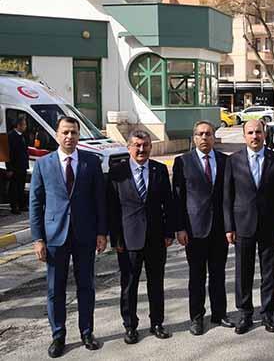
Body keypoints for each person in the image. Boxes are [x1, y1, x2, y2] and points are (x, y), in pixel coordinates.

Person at [29, 116, 107, 358]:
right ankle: (58, 335)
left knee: (86, 287)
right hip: (55, 237)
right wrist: (38, 239)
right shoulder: (43, 164)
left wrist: (102, 232)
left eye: (73, 132)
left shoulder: (91, 162)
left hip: (85, 235)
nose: (69, 137)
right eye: (65, 132)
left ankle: (87, 332)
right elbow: (35, 203)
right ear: (56, 135)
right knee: (55, 289)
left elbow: (100, 200)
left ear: (78, 135)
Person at [107, 130, 173, 344]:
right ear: (129, 148)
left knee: (156, 283)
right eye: (137, 145)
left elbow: (168, 203)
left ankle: (157, 323)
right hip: (128, 239)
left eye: (145, 145)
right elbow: (112, 208)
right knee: (129, 285)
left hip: (156, 238)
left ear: (151, 147)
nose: (141, 149)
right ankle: (130, 326)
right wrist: (116, 239)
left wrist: (169, 232)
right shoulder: (117, 172)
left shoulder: (159, 170)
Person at [224, 119, 274, 335]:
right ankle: (245, 314)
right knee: (243, 272)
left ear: (264, 134)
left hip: (270, 224)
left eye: (258, 132)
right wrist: (229, 227)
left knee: (269, 272)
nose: (255, 136)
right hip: (243, 224)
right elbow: (227, 196)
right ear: (244, 136)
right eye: (250, 132)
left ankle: (268, 313)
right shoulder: (233, 161)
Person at [172, 121, 234, 336]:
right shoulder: (183, 162)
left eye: (208, 134)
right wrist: (179, 228)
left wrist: (230, 226)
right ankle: (197, 317)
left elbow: (229, 196)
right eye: (200, 134)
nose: (205, 138)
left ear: (214, 137)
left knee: (218, 274)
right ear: (194, 137)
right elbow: (177, 198)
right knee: (197, 277)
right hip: (194, 229)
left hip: (219, 229)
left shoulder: (225, 161)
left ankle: (219, 314)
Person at [7, 116, 29, 215]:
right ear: (19, 125)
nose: (26, 126)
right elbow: (8, 153)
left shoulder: (22, 136)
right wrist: (9, 168)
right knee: (14, 187)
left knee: (21, 186)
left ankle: (21, 205)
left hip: (22, 166)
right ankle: (14, 206)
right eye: (24, 124)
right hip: (15, 167)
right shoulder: (11, 136)